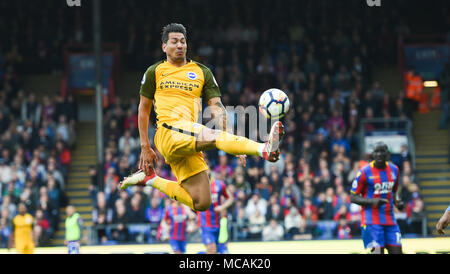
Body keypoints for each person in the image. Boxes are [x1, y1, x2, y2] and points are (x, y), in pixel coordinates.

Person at [119, 23, 284, 213]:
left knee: (202, 202)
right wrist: (145, 147)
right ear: (164, 46)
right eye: (174, 42)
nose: (180, 45)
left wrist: (232, 140)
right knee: (213, 135)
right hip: (168, 131)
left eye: (183, 41)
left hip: (188, 136)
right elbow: (143, 110)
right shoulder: (154, 72)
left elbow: (217, 107)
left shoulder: (202, 71)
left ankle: (151, 179)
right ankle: (264, 149)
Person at [350, 141, 404, 254]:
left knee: (398, 252)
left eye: (382, 151)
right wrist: (372, 201)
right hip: (372, 221)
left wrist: (397, 201)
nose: (379, 154)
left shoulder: (395, 169)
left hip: (390, 220)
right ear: (372, 154)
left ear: (387, 153)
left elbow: (394, 191)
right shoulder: (364, 172)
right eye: (376, 151)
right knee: (378, 252)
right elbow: (353, 197)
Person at [197, 176, 233, 254]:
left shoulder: (219, 184)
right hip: (205, 223)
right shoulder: (197, 185)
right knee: (212, 249)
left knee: (215, 250)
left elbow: (230, 198)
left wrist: (222, 207)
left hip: (217, 223)